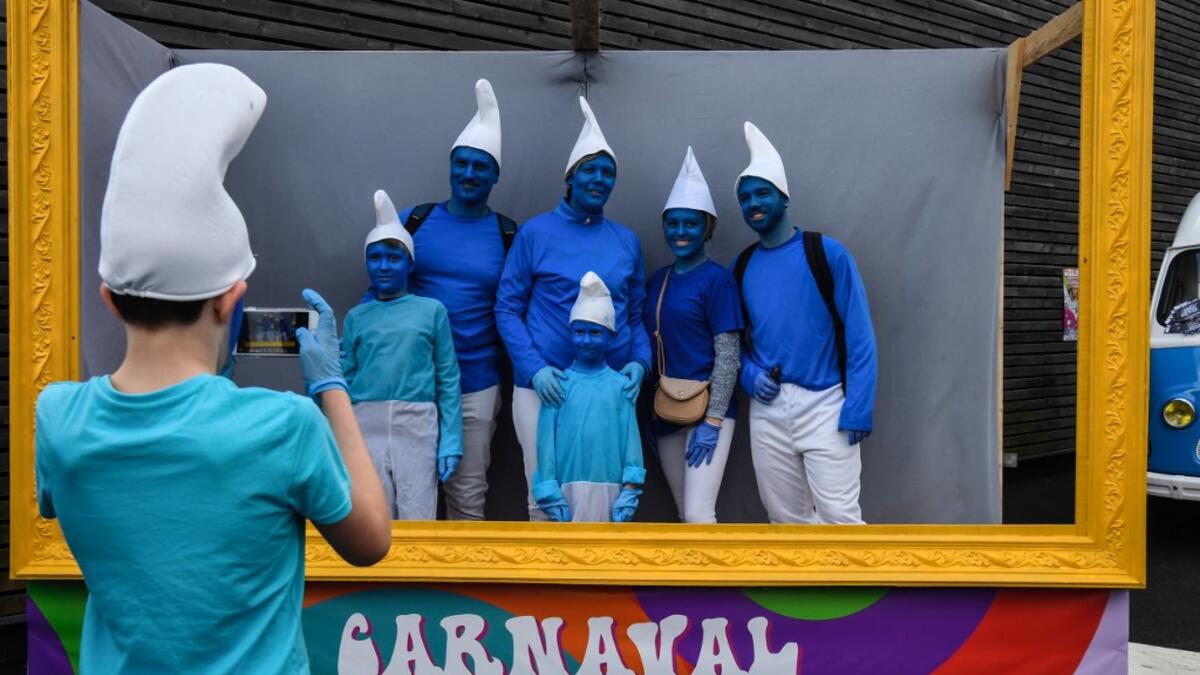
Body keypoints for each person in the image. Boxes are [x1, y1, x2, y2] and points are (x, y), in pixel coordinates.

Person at [33, 64, 391, 672]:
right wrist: (331, 388)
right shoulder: (284, 425)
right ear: (233, 298)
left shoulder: (58, 417)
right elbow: (370, 541)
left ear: (108, 298)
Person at [361, 79, 512, 520]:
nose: (469, 173)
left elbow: (514, 305)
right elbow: (379, 293)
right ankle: (398, 587)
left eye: (480, 166)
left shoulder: (507, 233)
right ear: (450, 166)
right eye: (461, 163)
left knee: (468, 495)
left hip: (476, 383)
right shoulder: (415, 220)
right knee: (400, 494)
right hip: (410, 385)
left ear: (495, 175)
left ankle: (462, 589)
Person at [495, 97, 652, 521]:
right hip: (542, 388)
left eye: (608, 172)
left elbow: (634, 315)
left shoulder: (626, 241)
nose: (598, 179)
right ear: (570, 176)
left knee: (609, 495)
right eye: (590, 169)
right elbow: (507, 308)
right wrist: (535, 368)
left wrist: (640, 362)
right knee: (544, 496)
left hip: (608, 391)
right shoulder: (535, 233)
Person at [732, 121, 877, 524]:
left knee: (840, 517)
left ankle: (857, 588)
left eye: (762, 193)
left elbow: (860, 335)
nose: (753, 203)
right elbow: (734, 343)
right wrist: (748, 374)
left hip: (827, 403)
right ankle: (804, 590)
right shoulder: (742, 266)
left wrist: (859, 406)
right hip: (768, 409)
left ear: (783, 197)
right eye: (745, 197)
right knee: (784, 520)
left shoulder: (826, 253)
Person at [343, 189, 464, 520]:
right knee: (372, 514)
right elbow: (346, 376)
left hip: (418, 423)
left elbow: (447, 377)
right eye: (375, 257)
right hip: (365, 422)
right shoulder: (357, 317)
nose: (384, 266)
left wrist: (451, 437)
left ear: (410, 263)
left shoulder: (431, 311)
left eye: (394, 258)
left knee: (418, 513)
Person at [644, 147, 743, 524]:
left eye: (690, 224)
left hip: (707, 413)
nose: (680, 232)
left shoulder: (718, 281)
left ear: (707, 228)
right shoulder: (658, 280)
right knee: (685, 516)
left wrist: (714, 421)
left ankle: (716, 585)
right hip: (666, 411)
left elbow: (729, 354)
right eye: (673, 223)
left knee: (700, 515)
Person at [533, 273, 645, 522]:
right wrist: (549, 489)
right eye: (579, 331)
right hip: (564, 493)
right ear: (570, 332)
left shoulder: (620, 386)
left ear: (610, 335)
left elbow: (631, 442)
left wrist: (630, 489)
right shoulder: (559, 384)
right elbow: (545, 443)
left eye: (595, 332)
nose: (586, 340)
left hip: (611, 493)